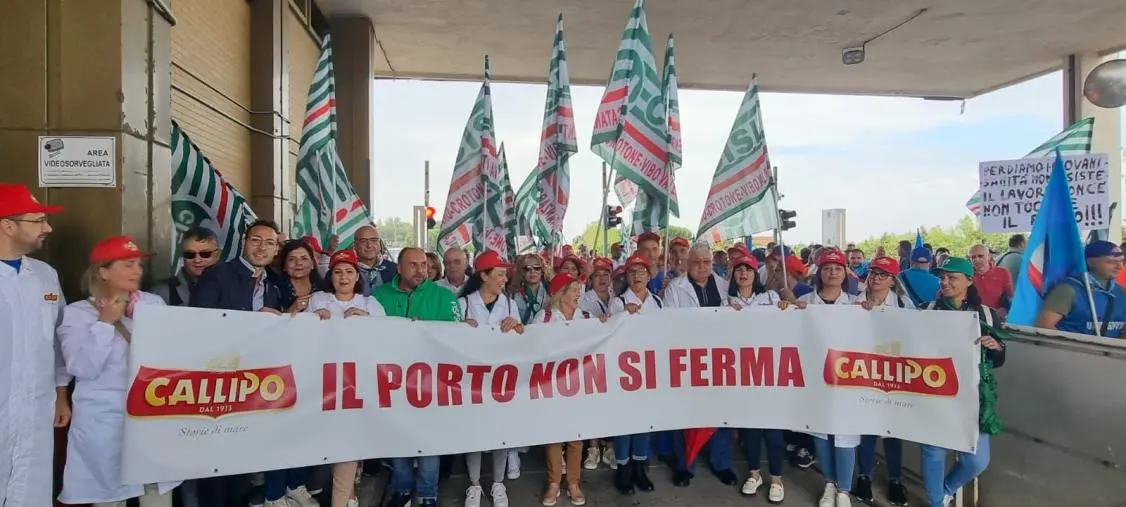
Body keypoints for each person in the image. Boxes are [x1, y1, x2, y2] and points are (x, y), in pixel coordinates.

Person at [57, 236, 180, 507]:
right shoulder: (78, 313)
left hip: (151, 413)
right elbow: (81, 367)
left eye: (138, 264)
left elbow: (172, 357)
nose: (137, 270)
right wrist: (104, 323)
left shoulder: (152, 305)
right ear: (103, 271)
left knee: (156, 494)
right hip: (104, 420)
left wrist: (143, 321)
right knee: (108, 497)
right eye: (127, 264)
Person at [190, 219, 289, 507]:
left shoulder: (273, 284)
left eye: (270, 243)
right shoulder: (217, 275)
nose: (262, 248)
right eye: (256, 240)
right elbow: (200, 322)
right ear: (244, 242)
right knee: (214, 466)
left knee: (240, 464)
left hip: (252, 384)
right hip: (217, 380)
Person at [0, 183, 72, 507]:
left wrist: (60, 395)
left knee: (29, 492)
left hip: (36, 413)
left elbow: (58, 339)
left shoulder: (45, 276)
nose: (48, 228)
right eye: (38, 220)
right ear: (8, 225)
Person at [372, 248, 462, 507]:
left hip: (432, 383)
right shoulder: (378, 297)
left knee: (429, 439)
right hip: (392, 382)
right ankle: (401, 488)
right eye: (413, 265)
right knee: (398, 436)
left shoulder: (445, 298)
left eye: (423, 264)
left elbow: (457, 339)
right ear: (398, 268)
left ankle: (426, 493)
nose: (420, 270)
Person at [921, 257, 1007, 507]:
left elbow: (1000, 359)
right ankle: (936, 502)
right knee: (933, 452)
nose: (945, 282)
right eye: (942, 277)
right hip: (933, 392)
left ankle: (947, 488)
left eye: (952, 277)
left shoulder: (986, 316)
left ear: (969, 281)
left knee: (977, 460)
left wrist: (996, 347)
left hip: (974, 395)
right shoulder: (926, 310)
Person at [782, 249, 858, 507]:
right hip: (815, 379)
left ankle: (844, 490)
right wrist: (787, 310)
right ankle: (828, 484)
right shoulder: (806, 303)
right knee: (822, 435)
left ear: (845, 272)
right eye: (827, 268)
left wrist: (870, 312)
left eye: (838, 268)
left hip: (848, 380)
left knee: (846, 434)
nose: (832, 272)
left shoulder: (857, 304)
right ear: (819, 273)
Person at [308, 250, 384, 507]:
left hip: (358, 385)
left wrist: (368, 321)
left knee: (348, 444)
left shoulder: (370, 304)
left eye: (349, 271)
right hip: (323, 385)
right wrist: (312, 321)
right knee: (333, 444)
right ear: (330, 276)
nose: (343, 277)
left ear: (357, 276)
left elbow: (390, 337)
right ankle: (349, 493)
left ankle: (342, 499)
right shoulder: (318, 299)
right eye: (338, 272)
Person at [663, 244, 737, 487]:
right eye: (697, 263)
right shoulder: (676, 288)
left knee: (722, 412)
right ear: (687, 264)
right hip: (688, 359)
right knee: (685, 414)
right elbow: (668, 323)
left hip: (720, 359)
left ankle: (722, 463)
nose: (703, 267)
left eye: (707, 262)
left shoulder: (725, 286)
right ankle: (684, 466)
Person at [456, 250, 523, 507]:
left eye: (505, 275)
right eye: (499, 274)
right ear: (484, 276)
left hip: (501, 380)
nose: (504, 279)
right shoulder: (463, 304)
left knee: (500, 431)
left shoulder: (509, 304)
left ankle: (498, 483)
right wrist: (461, 329)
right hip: (472, 380)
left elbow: (522, 340)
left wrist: (516, 328)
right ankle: (474, 484)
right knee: (474, 431)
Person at [530, 272, 601, 506]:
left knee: (575, 436)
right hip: (552, 384)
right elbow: (533, 347)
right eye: (573, 290)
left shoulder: (588, 317)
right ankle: (553, 481)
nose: (578, 294)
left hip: (579, 384)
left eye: (579, 289)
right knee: (553, 435)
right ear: (560, 294)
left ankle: (573, 481)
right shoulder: (545, 317)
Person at [852, 256, 913, 506]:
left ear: (892, 280)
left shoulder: (903, 303)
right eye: (873, 273)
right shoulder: (854, 301)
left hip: (892, 372)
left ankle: (895, 479)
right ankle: (864, 476)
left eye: (883, 274)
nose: (876, 278)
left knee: (892, 430)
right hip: (862, 371)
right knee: (866, 428)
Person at [726, 256, 785, 502]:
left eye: (748, 269)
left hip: (770, 373)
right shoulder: (725, 302)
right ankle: (754, 474)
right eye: (738, 269)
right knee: (750, 430)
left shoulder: (771, 298)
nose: (743, 274)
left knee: (773, 431)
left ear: (755, 274)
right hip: (741, 374)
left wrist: (787, 306)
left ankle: (776, 479)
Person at [607, 253, 662, 495]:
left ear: (649, 276)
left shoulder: (658, 302)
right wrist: (622, 316)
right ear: (626, 276)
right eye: (632, 272)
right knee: (624, 422)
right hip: (624, 371)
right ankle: (623, 468)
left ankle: (640, 467)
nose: (637, 276)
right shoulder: (618, 302)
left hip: (650, 370)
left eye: (642, 271)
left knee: (644, 421)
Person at [1035, 240, 1126, 337]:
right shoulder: (1068, 290)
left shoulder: (1121, 292)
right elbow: (1044, 326)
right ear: (1090, 262)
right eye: (1111, 262)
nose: (1119, 267)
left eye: (1122, 261)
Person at [151, 227, 220, 306]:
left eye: (205, 254)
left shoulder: (234, 288)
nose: (197, 260)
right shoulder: (160, 294)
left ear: (217, 255)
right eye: (190, 255)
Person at [277, 239, 324, 314]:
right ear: (284, 266)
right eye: (291, 259)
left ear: (312, 264)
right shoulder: (273, 289)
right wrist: (289, 311)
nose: (298, 263)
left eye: (304, 258)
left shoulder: (324, 289)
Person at [968, 244, 1013, 320]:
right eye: (973, 257)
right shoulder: (967, 275)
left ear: (989, 257)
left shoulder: (1002, 272)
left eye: (980, 256)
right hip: (974, 318)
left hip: (998, 319)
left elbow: (1010, 295)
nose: (976, 259)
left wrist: (1005, 308)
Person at [353, 225, 396, 294]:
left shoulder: (395, 269)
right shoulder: (347, 271)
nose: (369, 245)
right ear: (355, 245)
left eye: (374, 240)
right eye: (363, 241)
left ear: (380, 243)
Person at [511, 253, 551, 325]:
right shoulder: (513, 295)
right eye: (527, 268)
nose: (532, 271)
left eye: (537, 268)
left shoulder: (550, 291)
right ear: (522, 272)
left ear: (542, 271)